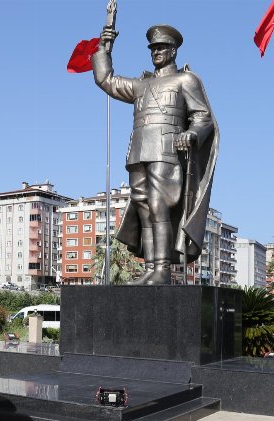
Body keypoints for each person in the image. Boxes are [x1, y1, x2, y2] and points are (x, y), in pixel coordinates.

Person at [92, 24, 218, 284]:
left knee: (160, 205)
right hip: (138, 150)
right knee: (143, 208)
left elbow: (203, 116)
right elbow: (106, 80)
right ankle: (151, 267)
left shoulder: (186, 80)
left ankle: (162, 269)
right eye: (153, 48)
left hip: (167, 148)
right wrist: (105, 48)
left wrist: (192, 134)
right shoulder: (141, 84)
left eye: (161, 47)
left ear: (173, 51)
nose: (156, 52)